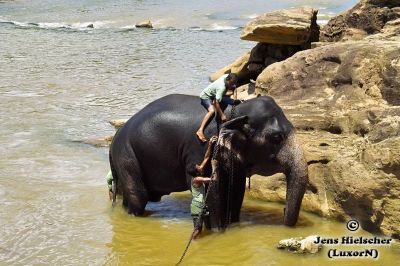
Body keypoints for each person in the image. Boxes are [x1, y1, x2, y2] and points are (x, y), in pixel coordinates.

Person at [196, 73, 239, 142]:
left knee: (232, 101)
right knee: (212, 111)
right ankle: (200, 130)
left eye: (234, 83)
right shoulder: (221, 87)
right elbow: (216, 103)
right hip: (206, 96)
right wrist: (222, 115)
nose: (233, 85)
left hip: (216, 93)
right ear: (227, 80)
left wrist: (234, 93)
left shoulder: (227, 76)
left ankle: (218, 96)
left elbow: (234, 85)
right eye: (231, 83)